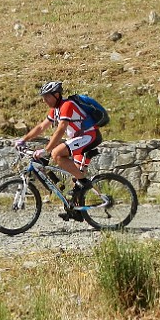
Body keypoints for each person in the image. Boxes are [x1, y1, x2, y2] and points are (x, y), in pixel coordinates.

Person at [16, 81, 103, 220]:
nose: (44, 100)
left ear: (56, 95)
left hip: (89, 135)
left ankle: (85, 183)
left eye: (47, 97)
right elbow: (41, 127)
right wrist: (24, 140)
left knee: (56, 153)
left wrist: (46, 150)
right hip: (79, 138)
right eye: (43, 97)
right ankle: (77, 211)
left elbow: (61, 129)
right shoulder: (55, 109)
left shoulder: (67, 105)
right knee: (75, 176)